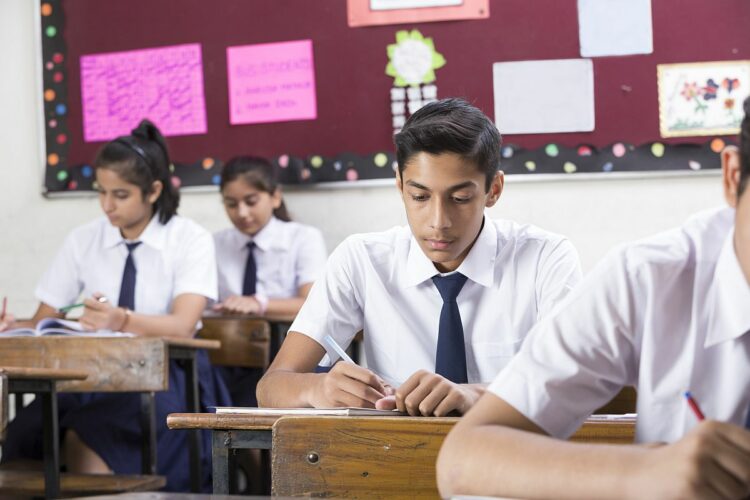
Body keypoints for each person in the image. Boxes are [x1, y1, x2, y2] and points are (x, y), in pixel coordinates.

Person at [436, 99, 750, 500]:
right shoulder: (650, 278)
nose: (439, 220)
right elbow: (465, 461)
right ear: (733, 176)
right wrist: (646, 471)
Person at [257, 98, 582, 416]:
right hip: (398, 458)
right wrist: (318, 388)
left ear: (493, 190)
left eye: (460, 197)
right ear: (400, 186)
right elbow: (271, 387)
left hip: (509, 457)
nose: (438, 221)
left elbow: (573, 386)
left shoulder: (545, 257)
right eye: (420, 196)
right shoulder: (362, 259)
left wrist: (476, 394)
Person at [0, 119, 229, 492]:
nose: (107, 206)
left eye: (120, 195)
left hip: (167, 378)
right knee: (25, 431)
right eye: (101, 192)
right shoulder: (84, 239)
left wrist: (119, 318)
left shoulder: (190, 239)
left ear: (153, 191)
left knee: (89, 434)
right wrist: (13, 325)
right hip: (91, 376)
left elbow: (184, 325)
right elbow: (45, 319)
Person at [213, 155, 327, 406]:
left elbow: (313, 303)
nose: (242, 213)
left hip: (287, 353)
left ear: (275, 197)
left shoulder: (303, 238)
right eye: (231, 204)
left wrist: (259, 303)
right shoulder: (215, 243)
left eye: (251, 201)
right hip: (231, 354)